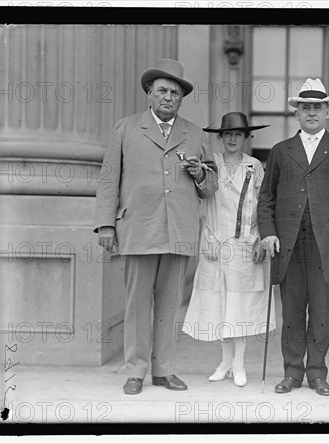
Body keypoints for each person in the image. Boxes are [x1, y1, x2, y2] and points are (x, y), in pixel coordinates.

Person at [94, 59, 218, 395]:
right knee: (137, 305)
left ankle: (164, 370)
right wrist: (106, 224)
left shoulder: (194, 134)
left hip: (178, 229)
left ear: (181, 99)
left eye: (175, 93)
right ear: (149, 94)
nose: (168, 97)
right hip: (138, 228)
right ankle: (135, 370)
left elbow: (211, 186)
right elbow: (108, 179)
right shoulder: (126, 128)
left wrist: (200, 174)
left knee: (169, 304)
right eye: (161, 90)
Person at [258, 78, 329, 396]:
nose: (312, 112)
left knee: (320, 310)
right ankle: (291, 372)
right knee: (290, 310)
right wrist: (268, 233)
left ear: (328, 111)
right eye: (305, 107)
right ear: (297, 114)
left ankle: (317, 372)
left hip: (325, 243)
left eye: (318, 107)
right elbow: (266, 199)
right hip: (288, 243)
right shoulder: (280, 151)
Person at [183, 112, 275, 387]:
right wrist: (208, 237)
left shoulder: (254, 166)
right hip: (215, 243)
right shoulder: (211, 163)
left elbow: (263, 205)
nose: (233, 139)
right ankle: (224, 361)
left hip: (245, 245)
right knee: (220, 305)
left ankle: (239, 364)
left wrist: (260, 238)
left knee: (241, 306)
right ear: (220, 138)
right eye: (228, 134)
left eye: (238, 134)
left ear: (246, 137)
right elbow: (204, 195)